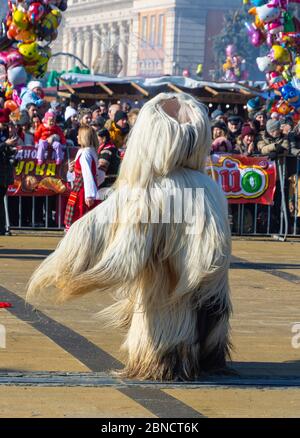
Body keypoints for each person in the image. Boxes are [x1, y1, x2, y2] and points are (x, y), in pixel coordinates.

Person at [28, 93, 232, 381]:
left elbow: (100, 234)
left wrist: (67, 265)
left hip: (163, 313)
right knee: (199, 302)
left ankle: (165, 358)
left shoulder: (146, 191)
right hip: (206, 302)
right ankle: (205, 355)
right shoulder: (209, 189)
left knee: (165, 310)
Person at [64, 126, 104, 231]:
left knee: (80, 219)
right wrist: (71, 170)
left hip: (82, 192)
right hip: (80, 189)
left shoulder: (86, 153)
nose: (77, 136)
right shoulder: (86, 151)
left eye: (79, 134)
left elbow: (88, 174)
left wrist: (90, 195)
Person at [0, 108, 17, 235]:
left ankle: (1, 228)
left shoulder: (4, 134)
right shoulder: (4, 137)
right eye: (3, 124)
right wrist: (5, 144)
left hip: (3, 173)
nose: (5, 127)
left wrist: (13, 151)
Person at [97, 128, 120, 192]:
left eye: (96, 138)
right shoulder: (112, 147)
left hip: (107, 185)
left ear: (103, 138)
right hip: (112, 183)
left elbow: (101, 171)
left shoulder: (107, 151)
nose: (94, 140)